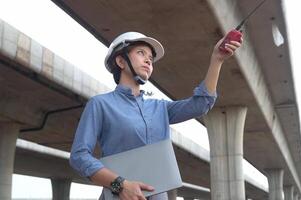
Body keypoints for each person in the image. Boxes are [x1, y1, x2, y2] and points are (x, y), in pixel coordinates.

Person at [69, 31, 242, 200]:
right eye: (141, 53)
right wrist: (120, 185)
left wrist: (217, 59)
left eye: (151, 58)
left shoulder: (160, 108)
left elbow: (201, 104)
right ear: (121, 61)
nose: (148, 60)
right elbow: (79, 157)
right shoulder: (100, 104)